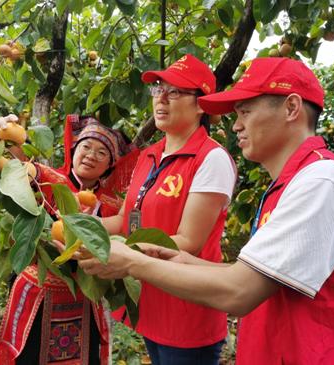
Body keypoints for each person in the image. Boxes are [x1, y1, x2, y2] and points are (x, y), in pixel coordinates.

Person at [77, 57, 334, 364]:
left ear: (291, 108)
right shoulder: (290, 185)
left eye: (245, 111)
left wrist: (132, 260)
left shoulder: (321, 182)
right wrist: (184, 259)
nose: (236, 125)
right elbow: (260, 277)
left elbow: (239, 292)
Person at [100, 54, 237, 365]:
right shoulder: (149, 155)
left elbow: (190, 241)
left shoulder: (210, 158)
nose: (161, 99)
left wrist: (127, 256)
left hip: (186, 310)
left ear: (201, 104)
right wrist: (78, 226)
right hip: (150, 302)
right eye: (158, 89)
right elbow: (128, 219)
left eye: (174, 92)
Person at [0, 114, 137, 365]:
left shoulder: (113, 207)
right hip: (38, 295)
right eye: (86, 147)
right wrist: (5, 133)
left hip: (84, 298)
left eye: (102, 153)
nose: (91, 155)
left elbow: (130, 234)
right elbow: (18, 166)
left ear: (111, 164)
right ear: (74, 150)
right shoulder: (49, 180)